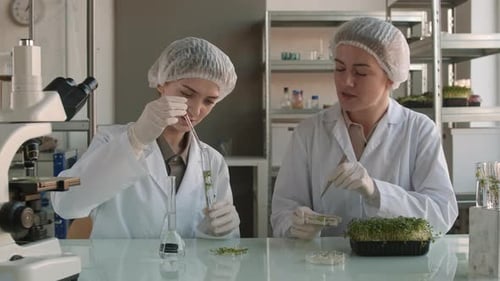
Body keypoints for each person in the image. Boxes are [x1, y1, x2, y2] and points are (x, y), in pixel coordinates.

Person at [271, 17, 458, 240]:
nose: (346, 81)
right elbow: (283, 209)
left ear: (390, 77)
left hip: (396, 270)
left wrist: (377, 192)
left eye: (360, 72)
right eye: (339, 68)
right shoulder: (309, 132)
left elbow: (441, 213)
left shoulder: (419, 130)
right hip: (325, 269)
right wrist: (295, 223)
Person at [51, 37, 240, 239]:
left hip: (187, 271)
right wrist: (135, 140)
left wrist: (219, 233)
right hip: (118, 271)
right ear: (161, 84)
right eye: (186, 93)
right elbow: (66, 204)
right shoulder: (111, 140)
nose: (195, 109)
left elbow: (225, 254)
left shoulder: (213, 162)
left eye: (209, 101)